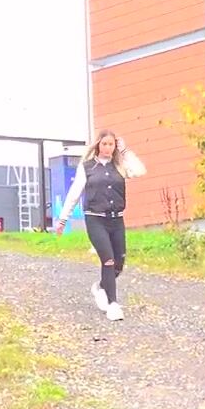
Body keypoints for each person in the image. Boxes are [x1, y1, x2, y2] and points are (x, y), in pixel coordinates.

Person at [52, 129, 146, 321]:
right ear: (98, 145)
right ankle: (113, 305)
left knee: (118, 264)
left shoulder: (119, 166)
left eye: (111, 144)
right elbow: (74, 193)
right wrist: (63, 219)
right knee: (108, 260)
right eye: (104, 144)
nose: (108, 148)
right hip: (95, 219)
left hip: (116, 220)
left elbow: (139, 171)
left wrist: (125, 151)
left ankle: (101, 287)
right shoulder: (87, 167)